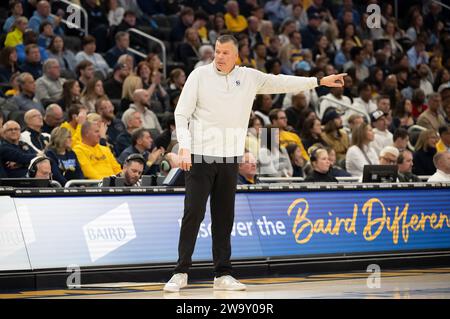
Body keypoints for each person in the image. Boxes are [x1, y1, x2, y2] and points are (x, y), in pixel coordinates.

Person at [165, 34, 346, 292]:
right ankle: (181, 272)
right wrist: (183, 146)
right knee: (193, 213)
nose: (219, 56)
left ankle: (222, 274)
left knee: (224, 217)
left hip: (230, 158)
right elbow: (181, 113)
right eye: (217, 51)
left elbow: (282, 82)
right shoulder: (199, 76)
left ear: (236, 55)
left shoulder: (249, 77)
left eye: (225, 52)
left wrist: (318, 81)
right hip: (200, 156)